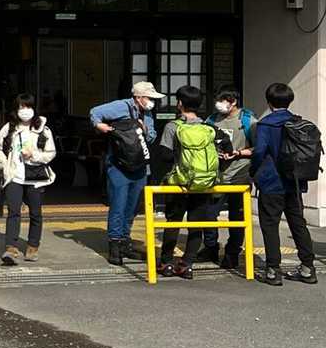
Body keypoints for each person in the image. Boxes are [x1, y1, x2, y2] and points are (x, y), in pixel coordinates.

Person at [90, 81, 165, 266]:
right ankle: (114, 244)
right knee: (118, 205)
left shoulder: (147, 114)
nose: (152, 102)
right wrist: (101, 126)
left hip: (140, 165)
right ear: (138, 97)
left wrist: (144, 129)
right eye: (149, 98)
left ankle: (125, 240)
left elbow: (151, 136)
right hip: (118, 165)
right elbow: (95, 112)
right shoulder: (121, 106)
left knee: (132, 206)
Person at [251, 82, 318, 287]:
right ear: (290, 101)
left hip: (271, 181)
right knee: (298, 224)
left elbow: (259, 151)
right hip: (295, 182)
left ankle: (273, 270)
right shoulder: (298, 122)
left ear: (269, 102)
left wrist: (254, 172)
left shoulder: (266, 125)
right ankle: (308, 268)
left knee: (270, 225)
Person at [155, 86, 221, 280]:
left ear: (180, 103)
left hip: (179, 183)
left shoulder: (173, 126)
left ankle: (166, 262)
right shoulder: (209, 127)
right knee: (196, 223)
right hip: (203, 183)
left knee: (173, 222)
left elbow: (165, 155)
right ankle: (187, 264)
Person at [0, 93, 57, 266]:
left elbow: (51, 153)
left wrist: (33, 155)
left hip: (36, 178)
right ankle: (11, 248)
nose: (25, 111)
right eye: (21, 107)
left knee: (36, 213)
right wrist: (5, 165)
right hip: (15, 176)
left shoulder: (43, 130)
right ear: (16, 109)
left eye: (28, 107)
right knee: (13, 211)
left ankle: (33, 247)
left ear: (34, 109)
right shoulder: (9, 128)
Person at [202, 87, 255, 270]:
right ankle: (210, 247)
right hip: (216, 176)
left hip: (240, 175)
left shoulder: (248, 121)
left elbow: (259, 147)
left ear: (233, 102)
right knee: (209, 214)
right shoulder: (211, 120)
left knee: (237, 216)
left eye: (223, 100)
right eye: (217, 100)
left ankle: (232, 252)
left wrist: (238, 153)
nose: (219, 104)